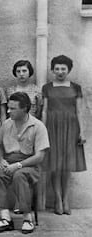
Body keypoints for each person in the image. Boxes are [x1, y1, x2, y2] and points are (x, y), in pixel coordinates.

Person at [0, 92, 49, 234]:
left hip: (29, 164)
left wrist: (18, 166)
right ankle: (5, 218)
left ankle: (27, 218)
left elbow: (40, 156)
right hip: (9, 160)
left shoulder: (38, 126)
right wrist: (1, 160)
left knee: (19, 176)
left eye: (13, 108)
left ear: (25, 108)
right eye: (9, 107)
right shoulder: (6, 124)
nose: (9, 111)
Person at [41, 55, 86, 215]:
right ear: (53, 70)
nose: (60, 71)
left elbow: (79, 111)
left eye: (63, 68)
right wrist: (43, 131)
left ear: (68, 70)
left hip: (71, 128)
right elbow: (45, 110)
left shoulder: (76, 87)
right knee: (54, 166)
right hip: (52, 127)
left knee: (67, 166)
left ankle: (66, 199)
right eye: (57, 68)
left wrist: (82, 131)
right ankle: (58, 200)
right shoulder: (47, 87)